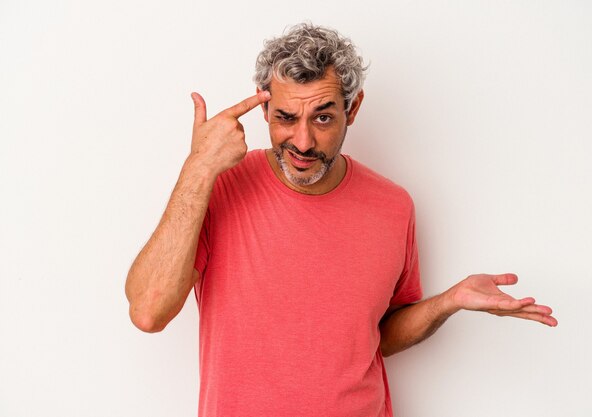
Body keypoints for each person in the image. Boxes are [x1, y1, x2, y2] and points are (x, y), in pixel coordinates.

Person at [125, 23, 557, 417]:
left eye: (324, 117)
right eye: (286, 117)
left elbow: (374, 337)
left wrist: (449, 301)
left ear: (353, 108)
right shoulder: (219, 187)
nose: (303, 141)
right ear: (264, 108)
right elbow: (148, 311)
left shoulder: (393, 206)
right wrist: (198, 168)